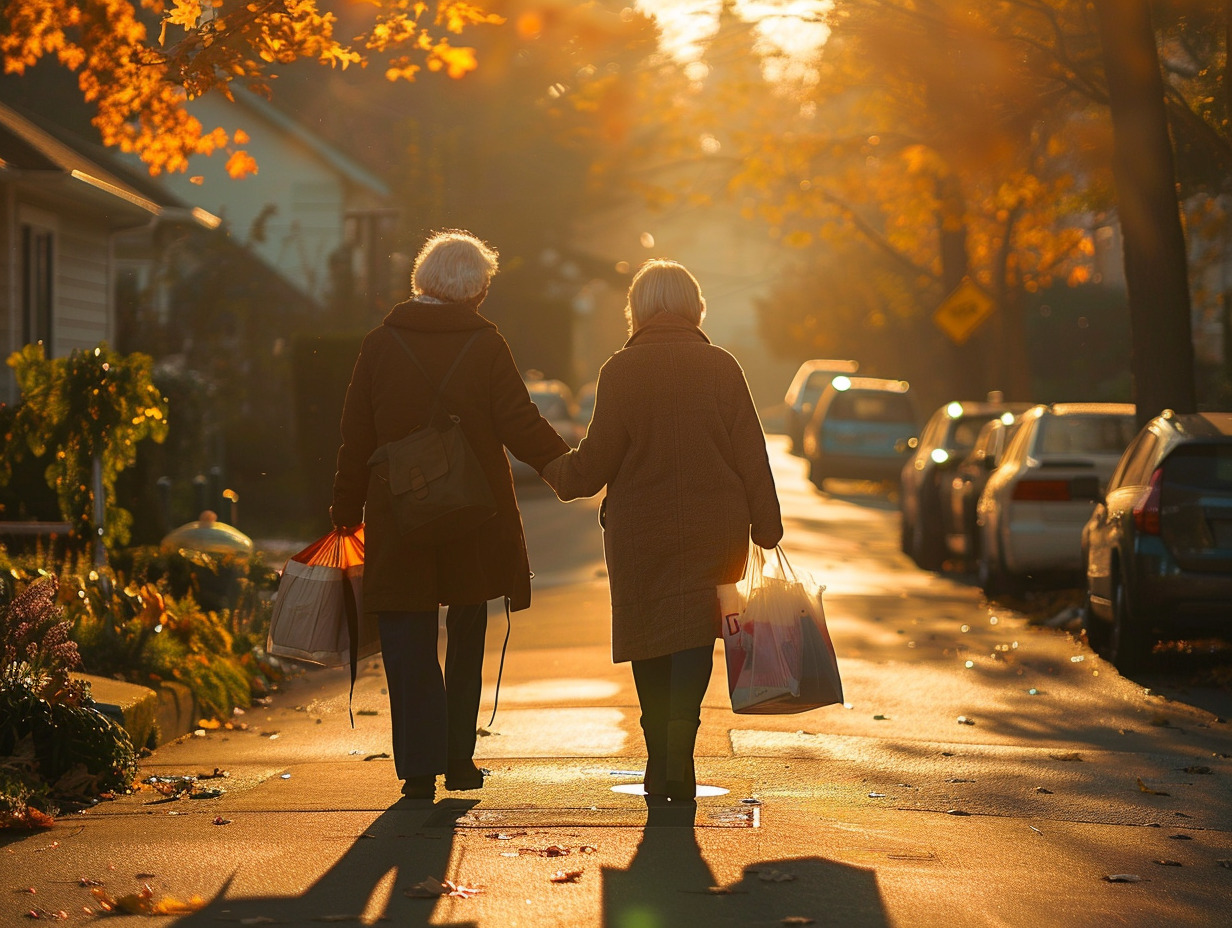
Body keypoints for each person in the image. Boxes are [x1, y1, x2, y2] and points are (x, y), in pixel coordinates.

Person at [330, 230, 569, 800]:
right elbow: (518, 420)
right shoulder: (486, 345)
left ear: (424, 278)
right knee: (466, 631)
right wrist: (565, 468)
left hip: (398, 512)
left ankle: (417, 768)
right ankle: (460, 761)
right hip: (473, 513)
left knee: (407, 636)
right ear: (476, 289)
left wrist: (344, 508)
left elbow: (355, 435)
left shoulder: (380, 344)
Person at [541, 259, 783, 804]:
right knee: (696, 637)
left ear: (639, 309)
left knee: (650, 638)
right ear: (695, 307)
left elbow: (596, 462)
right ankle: (680, 756)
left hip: (639, 531)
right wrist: (767, 526)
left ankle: (659, 758)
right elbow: (752, 453)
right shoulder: (722, 367)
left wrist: (555, 468)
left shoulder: (620, 372)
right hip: (714, 531)